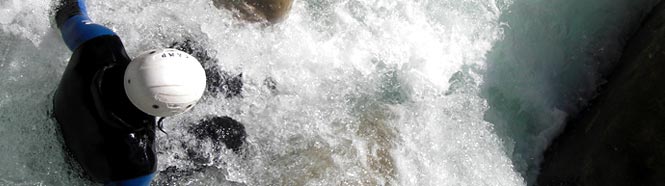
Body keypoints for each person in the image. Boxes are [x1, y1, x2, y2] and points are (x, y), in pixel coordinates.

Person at [52, 0, 206, 185]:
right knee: (232, 131)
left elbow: (68, 12)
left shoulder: (100, 46)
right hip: (87, 172)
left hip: (59, 117)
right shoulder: (138, 166)